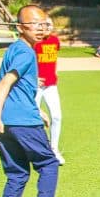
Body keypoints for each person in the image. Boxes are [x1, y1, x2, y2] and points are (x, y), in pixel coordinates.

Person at [0, 5, 65, 197]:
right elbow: (5, 84)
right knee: (49, 163)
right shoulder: (25, 52)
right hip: (20, 121)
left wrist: (37, 109)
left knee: (18, 172)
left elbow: (19, 87)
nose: (41, 28)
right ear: (21, 27)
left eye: (44, 23)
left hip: (8, 124)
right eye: (35, 24)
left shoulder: (15, 49)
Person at [34, 17, 65, 165]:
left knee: (57, 116)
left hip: (51, 85)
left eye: (49, 24)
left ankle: (54, 149)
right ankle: (34, 149)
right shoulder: (35, 42)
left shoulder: (55, 41)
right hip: (36, 86)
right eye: (43, 24)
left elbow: (54, 59)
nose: (46, 27)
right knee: (33, 118)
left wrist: (55, 71)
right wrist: (33, 78)